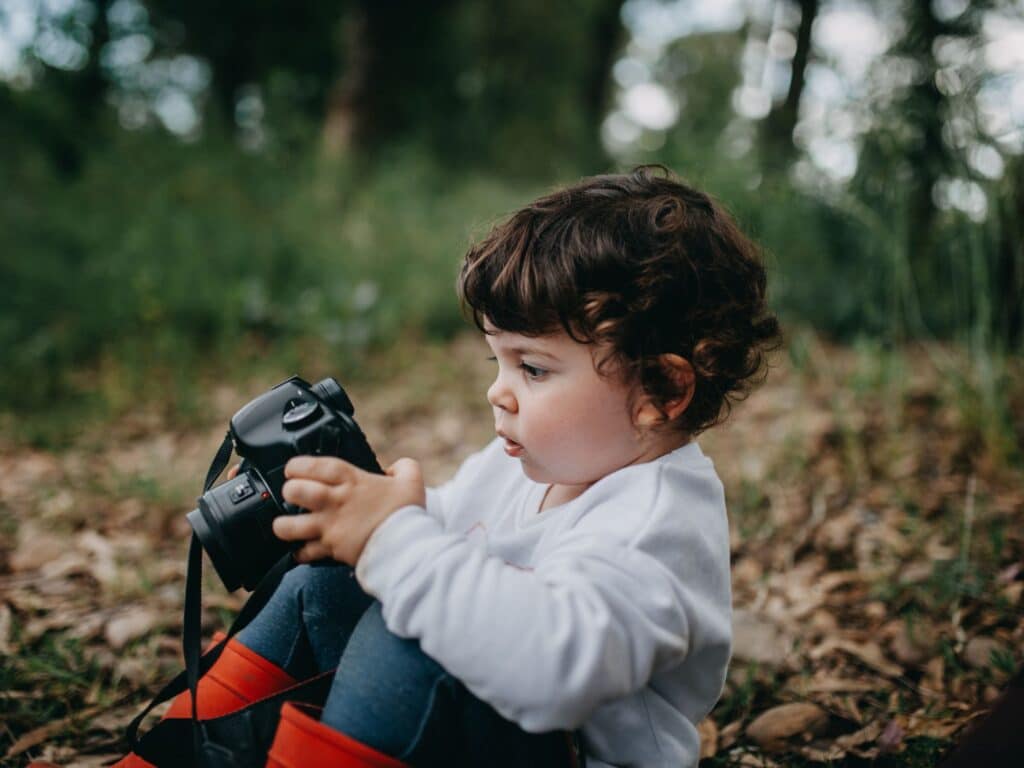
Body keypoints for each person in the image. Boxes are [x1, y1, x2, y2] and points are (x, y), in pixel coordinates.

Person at [114, 165, 782, 768]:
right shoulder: (520, 465)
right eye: (498, 360)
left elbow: (553, 668)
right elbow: (441, 537)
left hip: (566, 749)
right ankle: (171, 758)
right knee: (325, 586)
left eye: (534, 367)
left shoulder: (655, 524)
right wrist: (347, 508)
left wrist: (394, 540)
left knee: (412, 640)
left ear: (663, 391)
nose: (499, 389)